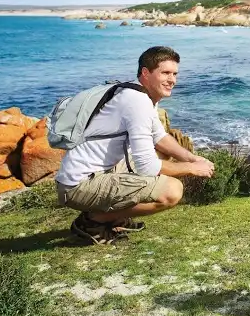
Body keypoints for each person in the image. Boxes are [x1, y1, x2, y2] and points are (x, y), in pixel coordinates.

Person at [55, 46, 215, 245]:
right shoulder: (136, 102)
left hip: (89, 173)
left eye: (175, 74)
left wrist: (192, 158)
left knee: (160, 159)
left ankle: (114, 215)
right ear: (146, 73)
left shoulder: (137, 92)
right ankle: (94, 221)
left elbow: (159, 137)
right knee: (172, 191)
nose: (172, 80)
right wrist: (191, 169)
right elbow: (147, 167)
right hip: (79, 185)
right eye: (165, 73)